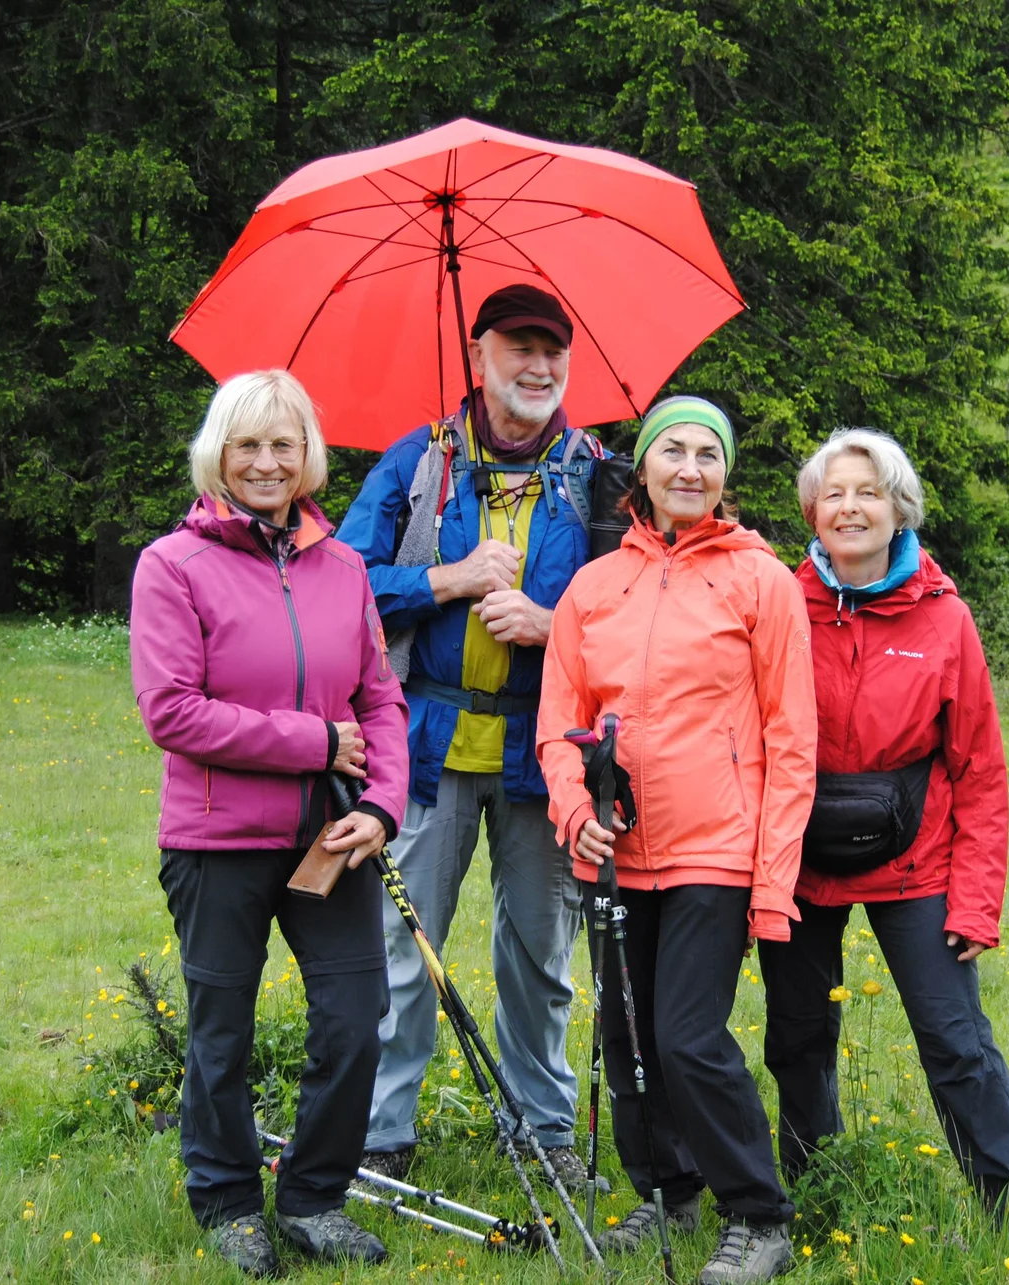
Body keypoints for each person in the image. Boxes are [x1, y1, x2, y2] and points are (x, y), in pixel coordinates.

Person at [758, 428, 1009, 1284]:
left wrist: (975, 901)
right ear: (812, 513)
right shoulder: (780, 601)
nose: (849, 507)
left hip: (917, 861)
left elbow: (980, 768)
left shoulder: (945, 617)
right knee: (797, 1035)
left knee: (956, 1040)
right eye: (833, 493)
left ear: (900, 508)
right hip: (799, 855)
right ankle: (815, 1195)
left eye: (868, 491)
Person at [131, 370, 410, 1277]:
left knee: (357, 1015)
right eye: (247, 444)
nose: (265, 461)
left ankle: (314, 1196)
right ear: (219, 453)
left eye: (283, 444)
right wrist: (313, 742)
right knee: (224, 1026)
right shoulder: (172, 565)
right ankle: (225, 1199)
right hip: (217, 842)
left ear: (307, 458)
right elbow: (173, 711)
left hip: (333, 837)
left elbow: (380, 701)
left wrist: (379, 804)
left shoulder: (346, 568)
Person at [537, 396, 816, 1285]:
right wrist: (576, 813)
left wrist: (772, 884)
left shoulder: (761, 580)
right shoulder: (593, 586)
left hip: (715, 849)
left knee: (688, 1035)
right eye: (672, 451)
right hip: (617, 853)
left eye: (707, 453)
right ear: (644, 470)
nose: (689, 467)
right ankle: (668, 1189)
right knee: (627, 1037)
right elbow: (557, 725)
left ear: (726, 473)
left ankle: (759, 1213)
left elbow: (790, 741)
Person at [336, 283, 607, 1188]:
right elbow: (345, 587)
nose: (538, 367)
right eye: (518, 347)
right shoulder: (416, 463)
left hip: (546, 751)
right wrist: (445, 579)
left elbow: (636, 607)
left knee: (540, 951)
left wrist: (552, 621)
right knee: (404, 948)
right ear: (479, 357)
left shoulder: (594, 473)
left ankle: (544, 1127)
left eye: (552, 351)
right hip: (426, 743)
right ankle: (381, 1132)